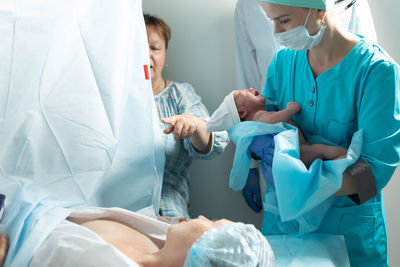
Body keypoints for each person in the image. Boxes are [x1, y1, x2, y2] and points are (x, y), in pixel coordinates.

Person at [254, 0, 400, 266]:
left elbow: (374, 175)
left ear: (319, 10)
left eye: (284, 20)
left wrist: (300, 183)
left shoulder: (376, 71)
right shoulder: (282, 62)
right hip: (285, 230)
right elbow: (266, 128)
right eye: (271, 20)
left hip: (349, 234)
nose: (276, 32)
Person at [144, 14, 229, 219]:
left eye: (154, 48)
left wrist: (193, 125)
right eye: (137, 46)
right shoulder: (109, 99)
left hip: (166, 207)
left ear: (164, 56)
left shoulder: (179, 94)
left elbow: (214, 139)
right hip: (113, 206)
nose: (145, 55)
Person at [207, 88, 347, 189]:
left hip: (291, 156)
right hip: (295, 154)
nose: (250, 88)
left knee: (317, 160)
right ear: (242, 112)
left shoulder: (255, 125)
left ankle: (336, 165)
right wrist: (290, 110)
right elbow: (274, 119)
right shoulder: (258, 118)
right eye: (244, 93)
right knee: (320, 150)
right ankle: (345, 156)